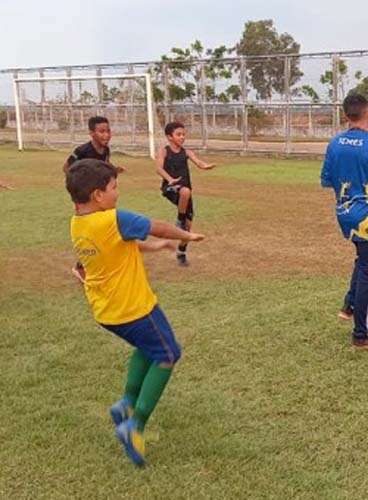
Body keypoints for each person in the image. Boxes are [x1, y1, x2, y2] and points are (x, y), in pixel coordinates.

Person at [65, 158, 205, 466]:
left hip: (107, 311)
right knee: (168, 353)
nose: (117, 193)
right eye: (114, 188)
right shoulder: (113, 218)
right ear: (97, 195)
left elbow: (118, 244)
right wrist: (186, 236)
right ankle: (135, 425)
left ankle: (126, 403)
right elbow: (158, 224)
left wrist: (155, 248)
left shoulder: (80, 223)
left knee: (148, 347)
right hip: (133, 308)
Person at [321, 93, 368, 348]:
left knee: (362, 261)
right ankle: (362, 334)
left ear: (345, 116)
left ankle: (350, 305)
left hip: (344, 213)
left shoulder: (334, 144)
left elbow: (327, 180)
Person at [63, 116, 125, 282]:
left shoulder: (106, 150)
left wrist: (113, 168)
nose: (106, 135)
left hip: (101, 197)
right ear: (92, 133)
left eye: (108, 131)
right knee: (90, 232)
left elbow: (102, 167)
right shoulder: (82, 151)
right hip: (85, 198)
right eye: (102, 131)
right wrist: (80, 189)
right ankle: (80, 267)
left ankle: (99, 263)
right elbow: (67, 168)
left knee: (105, 227)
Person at [156, 121, 216, 267]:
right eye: (179, 134)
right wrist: (170, 180)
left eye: (184, 134)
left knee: (188, 228)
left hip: (185, 194)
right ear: (170, 137)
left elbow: (199, 163)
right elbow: (158, 168)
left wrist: (206, 166)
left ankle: (181, 252)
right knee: (184, 191)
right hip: (170, 188)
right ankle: (179, 219)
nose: (182, 137)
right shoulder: (164, 150)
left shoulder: (186, 152)